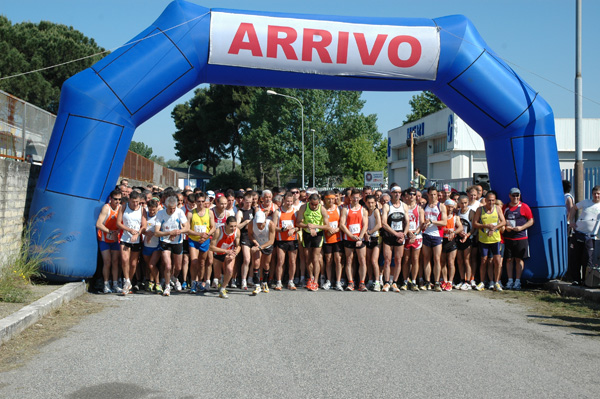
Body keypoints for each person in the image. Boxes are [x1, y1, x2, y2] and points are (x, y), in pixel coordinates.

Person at [154, 195, 189, 296]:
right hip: (165, 241)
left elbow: (187, 228)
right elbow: (156, 232)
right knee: (168, 265)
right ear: (165, 206)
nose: (172, 211)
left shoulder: (179, 212)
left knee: (178, 267)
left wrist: (177, 232)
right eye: (170, 208)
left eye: (174, 208)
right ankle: (167, 286)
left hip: (177, 242)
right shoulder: (160, 214)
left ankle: (174, 278)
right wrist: (169, 233)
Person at [473, 190, 506, 292]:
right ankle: (482, 282)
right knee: (484, 261)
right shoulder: (480, 210)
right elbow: (475, 223)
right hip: (484, 240)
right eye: (489, 200)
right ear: (485, 200)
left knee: (497, 261)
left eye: (493, 200)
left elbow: (504, 221)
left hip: (495, 239)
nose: (491, 203)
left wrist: (494, 227)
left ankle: (496, 282)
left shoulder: (498, 209)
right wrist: (485, 226)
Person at [568, 185, 600, 286]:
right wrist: (571, 221)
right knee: (575, 258)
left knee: (587, 260)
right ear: (592, 194)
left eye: (598, 194)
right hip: (578, 233)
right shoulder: (586, 202)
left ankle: (586, 280)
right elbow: (574, 208)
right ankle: (576, 280)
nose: (596, 196)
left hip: (590, 237)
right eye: (595, 194)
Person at [503, 188, 534, 290]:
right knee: (508, 260)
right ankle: (510, 280)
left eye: (517, 195)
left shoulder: (524, 207)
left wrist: (521, 228)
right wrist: (505, 228)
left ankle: (518, 281)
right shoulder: (505, 207)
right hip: (508, 238)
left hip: (521, 237)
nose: (515, 197)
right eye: (513, 195)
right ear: (509, 196)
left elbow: (531, 220)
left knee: (519, 259)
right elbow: (501, 221)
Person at [297, 193, 330, 291]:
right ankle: (310, 278)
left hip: (318, 235)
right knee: (307, 257)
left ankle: (316, 281)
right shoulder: (303, 207)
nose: (314, 206)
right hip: (307, 233)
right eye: (312, 204)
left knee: (315, 258)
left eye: (316, 204)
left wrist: (315, 227)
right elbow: (298, 222)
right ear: (308, 202)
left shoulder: (322, 209)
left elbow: (327, 226)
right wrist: (308, 226)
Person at [116, 191, 147, 295]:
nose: (135, 204)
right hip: (125, 238)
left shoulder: (142, 210)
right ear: (129, 200)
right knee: (125, 259)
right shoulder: (123, 207)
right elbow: (118, 223)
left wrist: (137, 234)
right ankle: (126, 281)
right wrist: (129, 230)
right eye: (133, 202)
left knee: (133, 263)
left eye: (137, 202)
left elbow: (144, 226)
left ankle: (130, 280)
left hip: (136, 239)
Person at [339, 188, 369, 291]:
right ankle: (350, 282)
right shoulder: (345, 209)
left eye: (357, 198)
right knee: (349, 260)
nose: (355, 200)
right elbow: (342, 225)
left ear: (360, 198)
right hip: (348, 238)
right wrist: (350, 235)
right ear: (350, 198)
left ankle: (362, 283)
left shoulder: (363, 210)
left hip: (359, 239)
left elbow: (365, 225)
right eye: (353, 198)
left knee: (362, 260)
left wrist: (360, 238)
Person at [381, 185, 409, 292]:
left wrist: (403, 234)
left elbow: (407, 222)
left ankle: (395, 282)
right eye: (395, 192)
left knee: (398, 260)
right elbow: (384, 223)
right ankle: (387, 282)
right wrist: (395, 234)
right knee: (387, 260)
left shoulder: (404, 206)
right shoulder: (387, 206)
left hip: (400, 237)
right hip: (389, 236)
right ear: (391, 193)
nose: (397, 194)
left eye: (399, 192)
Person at [187, 192, 215, 294]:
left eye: (203, 201)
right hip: (194, 240)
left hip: (205, 240)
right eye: (198, 201)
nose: (201, 203)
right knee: (194, 261)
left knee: (202, 263)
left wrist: (206, 235)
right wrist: (199, 234)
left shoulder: (209, 212)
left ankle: (200, 281)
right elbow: (187, 229)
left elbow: (213, 227)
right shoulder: (191, 213)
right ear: (195, 202)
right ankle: (193, 282)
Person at [421, 186, 447, 292]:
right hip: (426, 234)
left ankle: (436, 282)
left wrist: (432, 222)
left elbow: (444, 222)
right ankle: (427, 282)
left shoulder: (441, 206)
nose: (433, 196)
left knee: (437, 259)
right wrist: (424, 224)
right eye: (431, 194)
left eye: (435, 194)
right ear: (428, 195)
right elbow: (421, 221)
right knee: (426, 258)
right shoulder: (424, 205)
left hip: (437, 235)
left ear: (437, 195)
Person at [96, 189, 122, 294]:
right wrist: (109, 232)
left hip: (115, 238)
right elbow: (99, 224)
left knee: (115, 262)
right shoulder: (106, 208)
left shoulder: (121, 208)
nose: (117, 201)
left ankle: (115, 284)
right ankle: (106, 285)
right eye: (115, 199)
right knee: (107, 262)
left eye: (119, 199)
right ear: (111, 199)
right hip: (104, 238)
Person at [209, 216, 241, 299]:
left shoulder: (237, 231)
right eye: (231, 226)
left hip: (229, 252)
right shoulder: (219, 231)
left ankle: (223, 288)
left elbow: (238, 246)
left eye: (235, 226)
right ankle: (220, 281)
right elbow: (211, 247)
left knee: (230, 270)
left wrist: (235, 253)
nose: (233, 228)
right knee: (217, 275)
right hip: (218, 253)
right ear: (226, 225)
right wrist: (225, 251)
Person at [274, 193, 299, 290]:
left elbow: (299, 226)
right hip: (281, 240)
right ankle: (279, 282)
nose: (289, 203)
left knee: (292, 261)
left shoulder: (295, 212)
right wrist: (283, 229)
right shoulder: (278, 212)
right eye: (287, 201)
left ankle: (291, 281)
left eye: (291, 201)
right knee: (280, 261)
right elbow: (273, 227)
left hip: (293, 239)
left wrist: (294, 229)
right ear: (283, 200)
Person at [401, 188, 424, 291]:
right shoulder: (403, 207)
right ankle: (405, 281)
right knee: (406, 259)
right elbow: (401, 221)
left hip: (416, 236)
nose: (412, 196)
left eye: (414, 194)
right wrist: (408, 233)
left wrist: (414, 233)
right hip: (406, 235)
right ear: (406, 195)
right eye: (410, 194)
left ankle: (414, 281)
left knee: (415, 259)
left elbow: (422, 223)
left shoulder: (419, 208)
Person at [248, 211, 276, 293]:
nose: (259, 225)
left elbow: (271, 241)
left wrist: (260, 247)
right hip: (257, 244)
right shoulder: (251, 224)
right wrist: (256, 243)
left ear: (265, 220)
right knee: (256, 263)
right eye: (258, 223)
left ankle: (264, 282)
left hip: (267, 245)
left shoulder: (271, 224)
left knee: (266, 264)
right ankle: (257, 285)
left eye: (261, 223)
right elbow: (250, 234)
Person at [440, 199, 463, 291]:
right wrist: (445, 230)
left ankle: (450, 281)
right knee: (443, 262)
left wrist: (453, 232)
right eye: (448, 206)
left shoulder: (455, 217)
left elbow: (460, 227)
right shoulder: (441, 216)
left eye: (451, 207)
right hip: (443, 240)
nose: (450, 208)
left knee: (451, 262)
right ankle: (444, 280)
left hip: (451, 241)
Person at [322, 191, 343, 291]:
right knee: (329, 260)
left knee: (338, 260)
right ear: (325, 199)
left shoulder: (339, 209)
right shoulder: (322, 209)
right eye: (328, 199)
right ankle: (329, 281)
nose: (331, 201)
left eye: (332, 199)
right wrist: (327, 229)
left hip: (338, 238)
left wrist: (336, 230)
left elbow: (342, 224)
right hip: (327, 238)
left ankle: (338, 282)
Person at [236, 192, 255, 290]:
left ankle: (250, 278)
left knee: (254, 259)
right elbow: (237, 226)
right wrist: (245, 222)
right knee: (247, 259)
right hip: (244, 236)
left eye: (250, 202)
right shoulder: (240, 212)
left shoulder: (254, 210)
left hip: (254, 236)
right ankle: (243, 280)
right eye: (247, 202)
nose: (249, 204)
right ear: (243, 201)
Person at [142, 199, 162, 293]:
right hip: (146, 245)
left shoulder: (159, 217)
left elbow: (161, 231)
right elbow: (141, 229)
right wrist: (146, 233)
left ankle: (158, 284)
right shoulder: (145, 216)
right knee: (148, 265)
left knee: (152, 264)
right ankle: (151, 282)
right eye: (150, 210)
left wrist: (152, 234)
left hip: (156, 246)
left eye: (154, 210)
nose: (152, 212)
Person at [456, 194, 475, 290]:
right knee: (459, 260)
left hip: (468, 238)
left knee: (467, 260)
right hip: (459, 238)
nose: (463, 205)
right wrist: (459, 233)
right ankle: (462, 279)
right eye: (461, 203)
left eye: (465, 203)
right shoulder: (457, 212)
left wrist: (467, 235)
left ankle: (468, 281)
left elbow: (474, 227)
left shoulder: (471, 212)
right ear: (458, 203)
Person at [364, 194, 382, 291]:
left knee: (374, 260)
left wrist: (369, 232)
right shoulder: (365, 211)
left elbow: (379, 224)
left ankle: (377, 281)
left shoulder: (376, 211)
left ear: (375, 203)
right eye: (369, 202)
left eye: (372, 202)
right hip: (367, 238)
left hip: (376, 237)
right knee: (368, 260)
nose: (370, 204)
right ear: (366, 202)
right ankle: (370, 279)